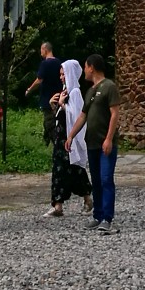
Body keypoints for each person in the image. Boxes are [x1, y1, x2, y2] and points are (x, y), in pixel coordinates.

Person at [47, 60, 94, 218]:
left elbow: (76, 116)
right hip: (62, 140)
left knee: (72, 170)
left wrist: (63, 104)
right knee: (66, 171)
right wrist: (55, 105)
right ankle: (60, 204)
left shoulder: (75, 93)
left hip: (68, 139)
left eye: (63, 74)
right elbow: (62, 117)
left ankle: (69, 203)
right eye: (60, 74)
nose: (61, 77)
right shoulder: (66, 91)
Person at [79, 54, 120, 233]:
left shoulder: (109, 87)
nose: (84, 71)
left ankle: (107, 218)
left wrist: (109, 138)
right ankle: (97, 215)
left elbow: (115, 114)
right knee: (95, 180)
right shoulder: (89, 91)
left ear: (92, 67)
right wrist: (72, 135)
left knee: (105, 179)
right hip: (92, 143)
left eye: (85, 67)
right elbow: (83, 115)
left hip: (105, 143)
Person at [24, 41, 63, 147]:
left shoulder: (45, 63)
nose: (40, 52)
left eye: (41, 50)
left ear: (45, 50)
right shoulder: (59, 62)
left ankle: (55, 142)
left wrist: (29, 89)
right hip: (58, 97)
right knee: (54, 119)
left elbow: (39, 79)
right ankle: (46, 142)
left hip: (47, 98)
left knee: (49, 121)